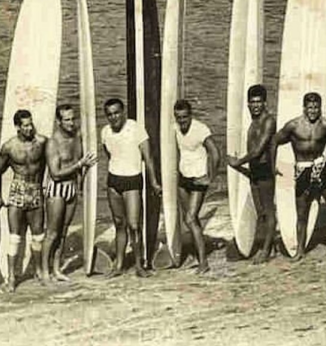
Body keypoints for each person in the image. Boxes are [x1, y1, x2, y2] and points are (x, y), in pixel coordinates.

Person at [272, 92, 326, 262]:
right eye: (309, 107)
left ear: (320, 108)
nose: (312, 111)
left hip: (320, 167)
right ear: (304, 108)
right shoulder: (293, 126)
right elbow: (274, 141)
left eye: (316, 107)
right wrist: (272, 167)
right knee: (302, 213)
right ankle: (300, 251)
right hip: (303, 170)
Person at [100, 97, 161, 277]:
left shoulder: (135, 128)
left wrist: (154, 182)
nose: (113, 117)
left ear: (123, 111)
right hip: (114, 181)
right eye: (109, 115)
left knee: (134, 225)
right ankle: (119, 264)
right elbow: (108, 155)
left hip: (133, 181)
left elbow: (148, 158)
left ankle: (139, 265)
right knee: (119, 224)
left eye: (117, 113)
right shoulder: (105, 131)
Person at [40, 104, 96, 287]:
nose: (72, 123)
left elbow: (82, 160)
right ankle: (45, 272)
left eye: (73, 118)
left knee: (63, 232)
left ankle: (56, 269)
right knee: (52, 233)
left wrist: (80, 185)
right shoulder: (53, 142)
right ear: (58, 121)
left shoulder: (77, 134)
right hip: (57, 189)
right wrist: (80, 165)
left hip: (71, 188)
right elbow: (55, 173)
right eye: (67, 119)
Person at [226, 84, 278, 264]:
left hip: (264, 171)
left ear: (264, 103)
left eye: (259, 102)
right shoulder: (253, 122)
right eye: (252, 102)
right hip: (255, 171)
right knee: (261, 211)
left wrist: (237, 162)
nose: (255, 105)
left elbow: (258, 151)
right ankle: (266, 244)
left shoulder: (268, 121)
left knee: (269, 211)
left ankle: (266, 251)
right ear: (248, 104)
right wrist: (236, 165)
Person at [0, 109, 47, 292]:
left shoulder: (41, 142)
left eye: (30, 124)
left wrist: (45, 184)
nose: (29, 128)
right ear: (17, 126)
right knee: (14, 237)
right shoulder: (9, 147)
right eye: (25, 125)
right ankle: (11, 277)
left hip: (34, 189)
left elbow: (50, 162)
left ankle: (39, 271)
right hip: (18, 189)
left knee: (38, 235)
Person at [173, 100, 220, 273]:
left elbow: (215, 153)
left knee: (190, 219)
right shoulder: (175, 128)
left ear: (191, 115)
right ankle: (198, 252)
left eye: (185, 117)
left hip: (199, 179)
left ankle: (203, 263)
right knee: (191, 219)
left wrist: (211, 177)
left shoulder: (201, 129)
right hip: (183, 179)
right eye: (178, 118)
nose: (182, 121)